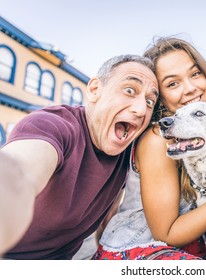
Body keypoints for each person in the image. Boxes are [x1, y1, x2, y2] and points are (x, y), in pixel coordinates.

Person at [92, 37, 206, 260]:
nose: (191, 88)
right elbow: (167, 234)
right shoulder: (158, 140)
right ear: (160, 97)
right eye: (173, 83)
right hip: (141, 248)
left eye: (195, 74)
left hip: (186, 247)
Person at [0, 54, 159, 259]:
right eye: (129, 90)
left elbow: (108, 222)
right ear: (94, 90)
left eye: (149, 101)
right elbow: (18, 175)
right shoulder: (51, 125)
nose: (140, 109)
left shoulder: (127, 152)